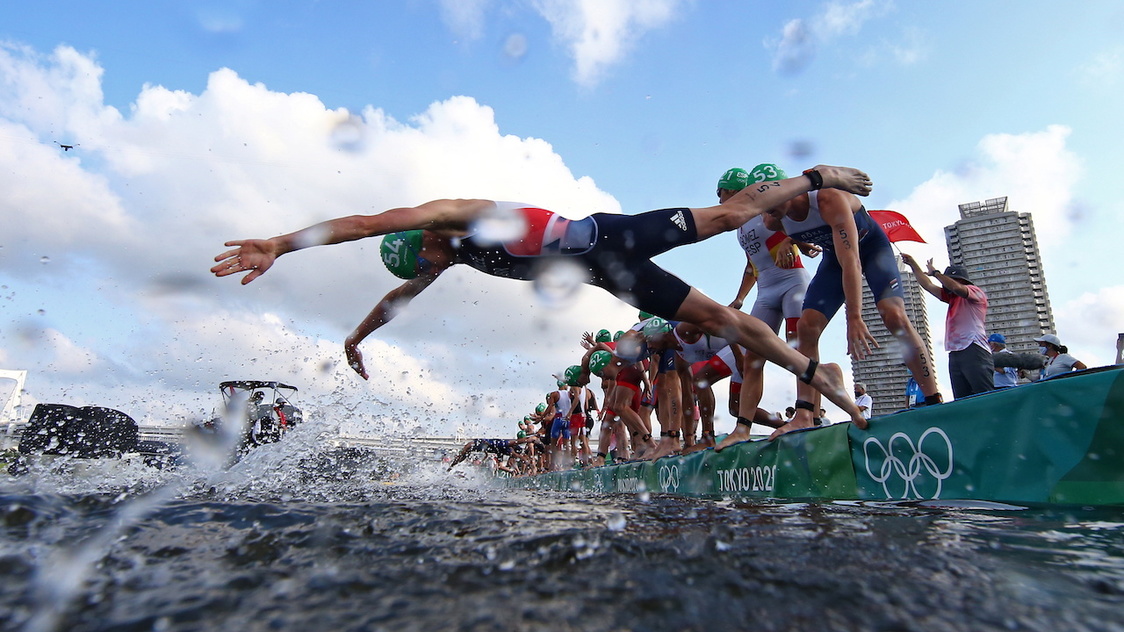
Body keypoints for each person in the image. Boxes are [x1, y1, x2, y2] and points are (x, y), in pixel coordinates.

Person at [212, 165, 876, 428]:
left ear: (426, 238)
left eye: (428, 254)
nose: (433, 263)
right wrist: (358, 338)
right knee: (723, 321)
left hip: (613, 235)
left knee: (729, 217)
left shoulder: (452, 214)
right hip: (605, 275)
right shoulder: (442, 259)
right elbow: (398, 299)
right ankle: (832, 393)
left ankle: (819, 174)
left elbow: (362, 224)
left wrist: (280, 240)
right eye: (428, 261)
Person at [742, 163, 940, 440]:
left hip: (870, 250)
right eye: (761, 203)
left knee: (893, 316)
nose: (767, 210)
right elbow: (805, 237)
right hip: (834, 259)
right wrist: (791, 242)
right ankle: (804, 414)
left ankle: (933, 399)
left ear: (787, 190)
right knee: (806, 328)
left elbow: (852, 262)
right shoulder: (773, 219)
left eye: (770, 200)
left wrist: (854, 317)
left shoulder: (827, 199)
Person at [715, 166, 814, 451]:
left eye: (720, 192)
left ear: (733, 189)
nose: (719, 199)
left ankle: (806, 412)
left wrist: (791, 240)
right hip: (766, 291)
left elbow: (802, 226)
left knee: (797, 349)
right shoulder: (740, 225)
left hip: (793, 282)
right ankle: (742, 428)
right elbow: (751, 265)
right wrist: (739, 298)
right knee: (753, 358)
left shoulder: (765, 209)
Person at [902, 256, 993, 399]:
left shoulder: (975, 292)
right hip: (955, 351)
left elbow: (956, 287)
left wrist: (936, 273)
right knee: (961, 398)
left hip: (973, 347)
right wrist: (913, 264)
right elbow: (928, 285)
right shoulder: (952, 298)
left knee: (984, 394)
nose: (946, 286)